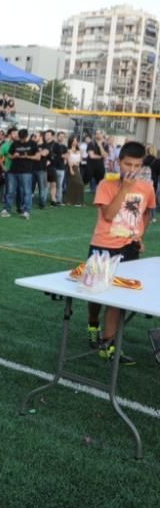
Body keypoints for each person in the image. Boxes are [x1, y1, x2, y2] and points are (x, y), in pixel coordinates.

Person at [85, 142, 155, 363]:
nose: (132, 169)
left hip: (129, 247)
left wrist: (139, 236)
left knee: (118, 297)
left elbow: (146, 214)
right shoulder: (107, 184)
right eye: (127, 164)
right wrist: (124, 189)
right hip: (104, 245)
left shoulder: (147, 187)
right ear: (118, 162)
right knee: (94, 294)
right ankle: (93, 323)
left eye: (137, 164)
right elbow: (108, 215)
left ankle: (108, 344)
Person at [2, 128, 38, 219]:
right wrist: (14, 156)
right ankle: (7, 209)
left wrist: (27, 156)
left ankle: (26, 211)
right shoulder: (15, 143)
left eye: (23, 138)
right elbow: (9, 155)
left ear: (27, 136)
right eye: (20, 138)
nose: (21, 140)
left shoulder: (33, 144)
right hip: (13, 170)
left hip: (26, 171)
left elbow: (38, 157)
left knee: (27, 191)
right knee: (10, 191)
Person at [64, 136, 85, 206]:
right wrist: (71, 169)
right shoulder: (68, 150)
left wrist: (78, 163)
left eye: (76, 140)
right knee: (76, 184)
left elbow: (80, 160)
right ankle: (74, 201)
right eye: (74, 140)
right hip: (71, 168)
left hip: (77, 168)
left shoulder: (79, 150)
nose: (76, 141)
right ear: (71, 141)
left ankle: (75, 201)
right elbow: (68, 160)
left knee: (76, 184)